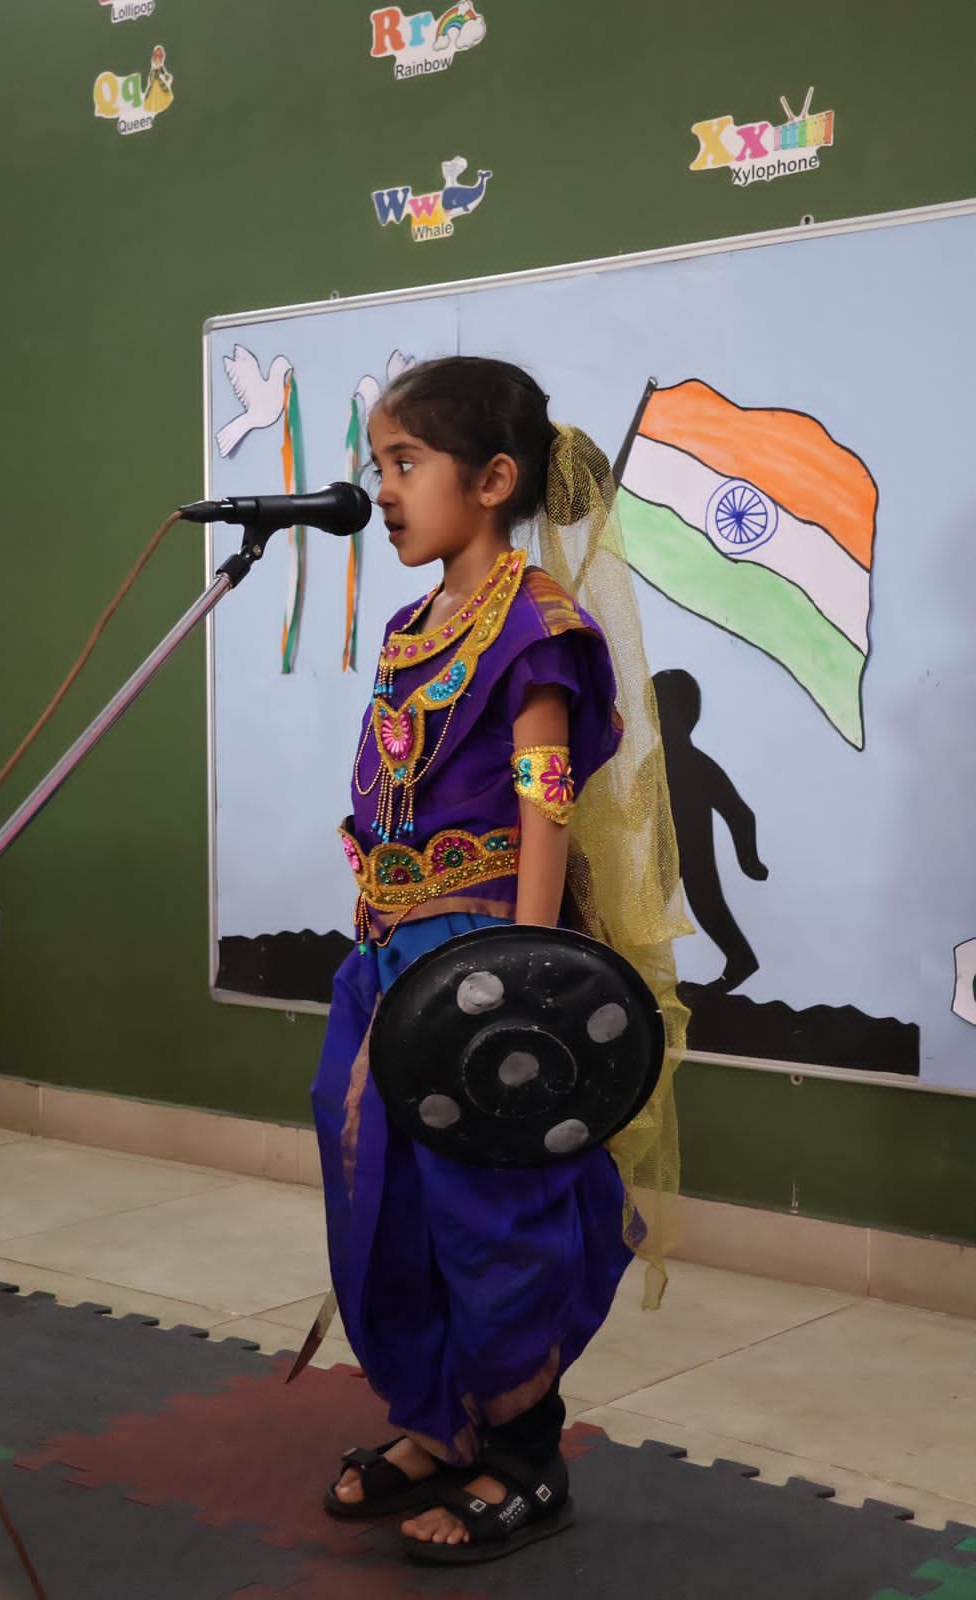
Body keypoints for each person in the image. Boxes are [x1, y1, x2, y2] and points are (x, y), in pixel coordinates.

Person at [311, 356, 687, 1566]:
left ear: (492, 481)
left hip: (485, 970)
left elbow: (544, 801)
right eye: (378, 464)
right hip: (390, 959)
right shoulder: (411, 626)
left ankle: (523, 1456)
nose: (383, 489)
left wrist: (526, 975)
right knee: (383, 1192)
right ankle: (438, 1419)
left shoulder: (535, 626)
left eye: (405, 462)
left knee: (490, 1208)